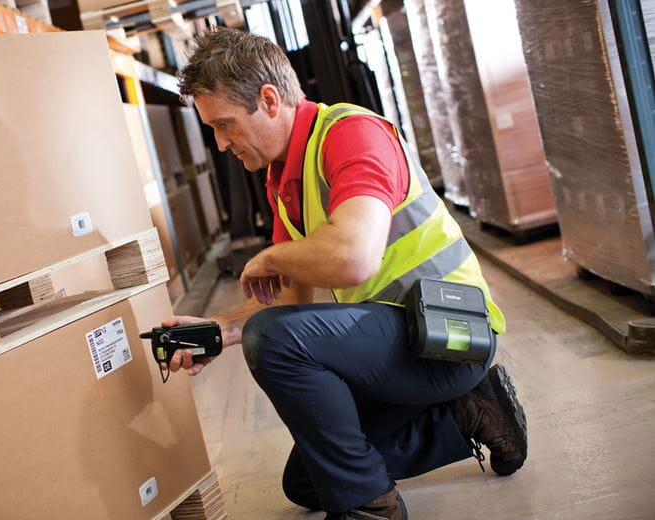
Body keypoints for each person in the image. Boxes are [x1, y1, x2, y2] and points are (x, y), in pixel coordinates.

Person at [164, 27, 527, 520]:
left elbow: (354, 258)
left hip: (451, 336)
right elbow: (291, 298)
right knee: (309, 481)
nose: (222, 143)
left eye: (225, 124)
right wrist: (215, 329)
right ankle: (469, 414)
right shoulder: (284, 176)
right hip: (403, 342)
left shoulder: (351, 134)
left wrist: (271, 258)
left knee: (276, 343)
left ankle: (369, 508)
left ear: (270, 100)